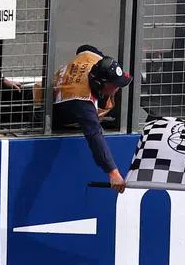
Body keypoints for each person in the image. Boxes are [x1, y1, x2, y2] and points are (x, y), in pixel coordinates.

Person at [52, 44, 132, 193]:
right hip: (40, 108)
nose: (117, 89)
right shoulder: (82, 101)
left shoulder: (91, 58)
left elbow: (84, 48)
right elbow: (95, 137)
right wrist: (113, 172)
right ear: (99, 84)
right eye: (114, 85)